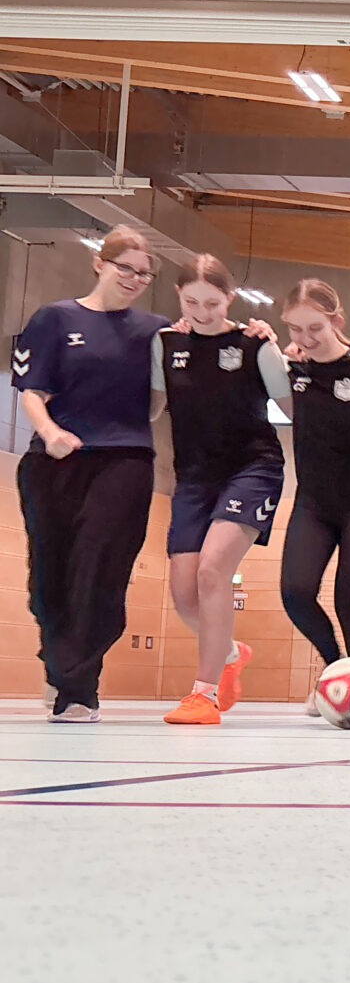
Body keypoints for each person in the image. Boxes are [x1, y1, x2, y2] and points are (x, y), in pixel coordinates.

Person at [11, 225, 171, 722]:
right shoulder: (55, 319)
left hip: (123, 460)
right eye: (127, 268)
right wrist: (51, 432)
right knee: (49, 579)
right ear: (100, 263)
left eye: (145, 274)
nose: (135, 279)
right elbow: (31, 390)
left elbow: (158, 402)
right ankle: (58, 665)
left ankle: (78, 688)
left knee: (99, 571)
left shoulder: (156, 330)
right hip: (54, 462)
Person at [151, 254, 292, 725]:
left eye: (212, 303)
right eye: (191, 301)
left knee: (213, 571)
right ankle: (231, 652)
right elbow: (152, 407)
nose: (201, 311)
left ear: (229, 299)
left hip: (254, 467)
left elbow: (298, 407)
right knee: (183, 595)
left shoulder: (254, 345)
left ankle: (203, 694)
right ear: (178, 297)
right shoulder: (165, 344)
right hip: (193, 476)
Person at [276, 279, 350, 705]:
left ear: (337, 322)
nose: (305, 339)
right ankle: (334, 673)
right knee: (295, 593)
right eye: (295, 329)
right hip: (312, 500)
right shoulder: (289, 367)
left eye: (315, 328)